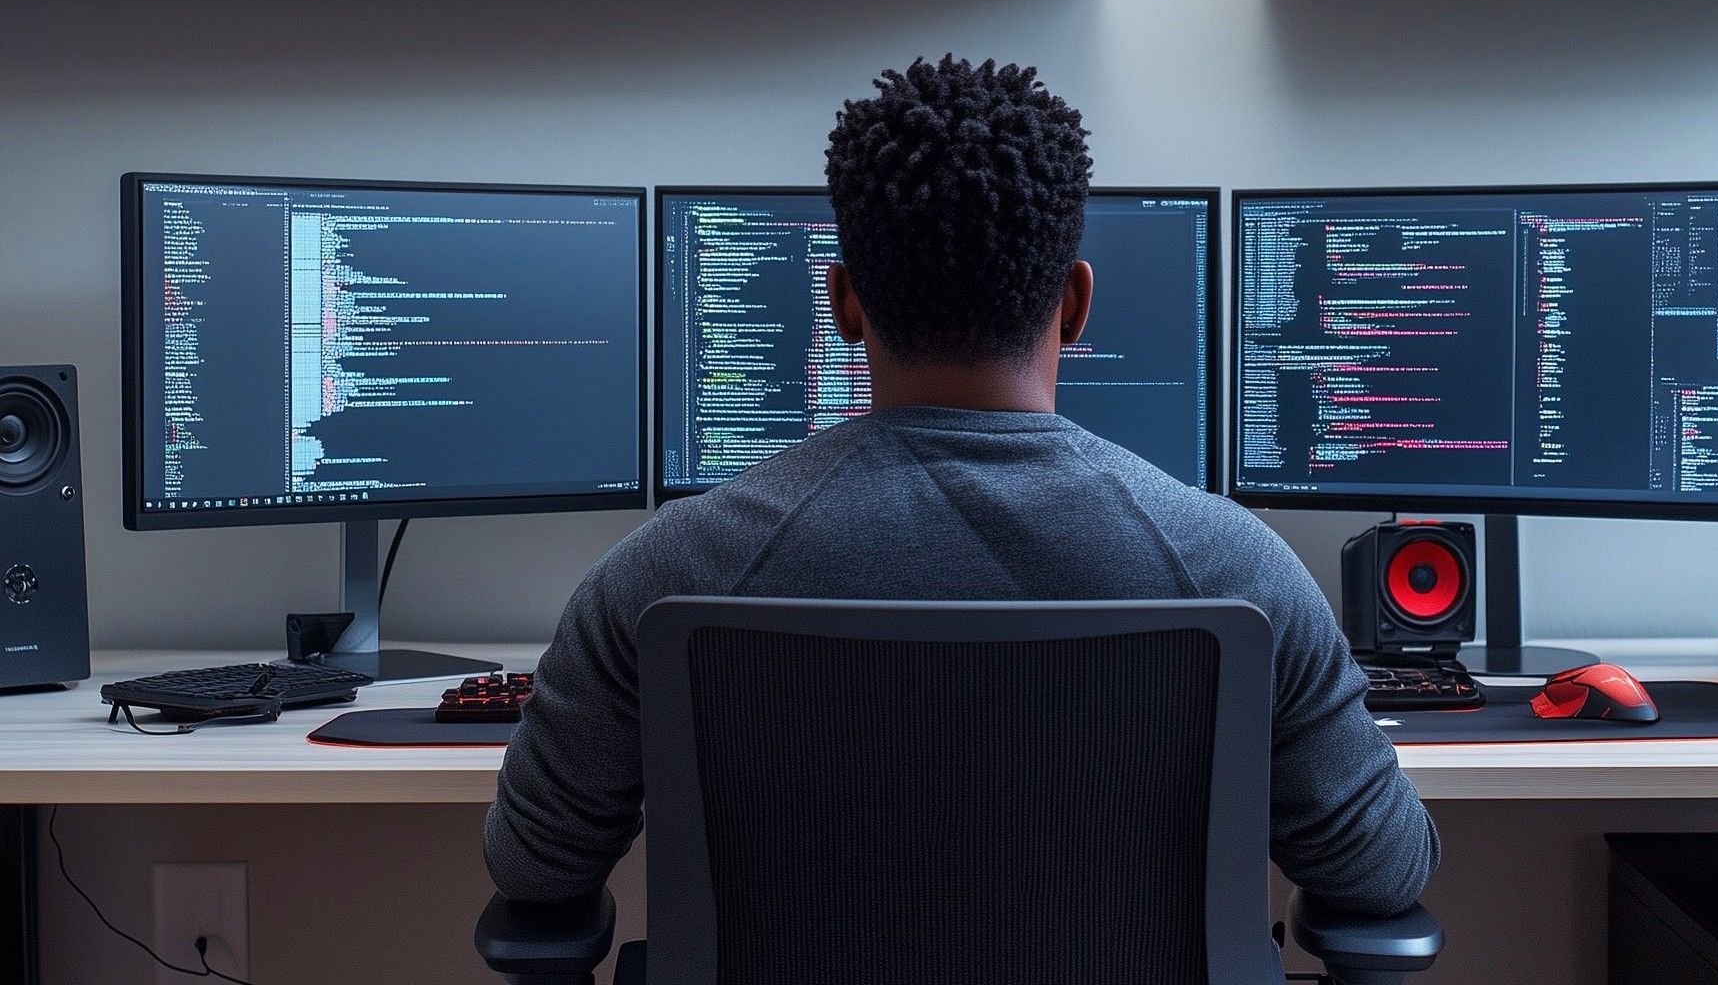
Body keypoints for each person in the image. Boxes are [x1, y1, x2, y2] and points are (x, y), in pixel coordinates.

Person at [485, 55, 1437, 915]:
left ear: (844, 304)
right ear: (1073, 303)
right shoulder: (1237, 572)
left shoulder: (665, 575)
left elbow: (533, 871)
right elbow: (1382, 874)